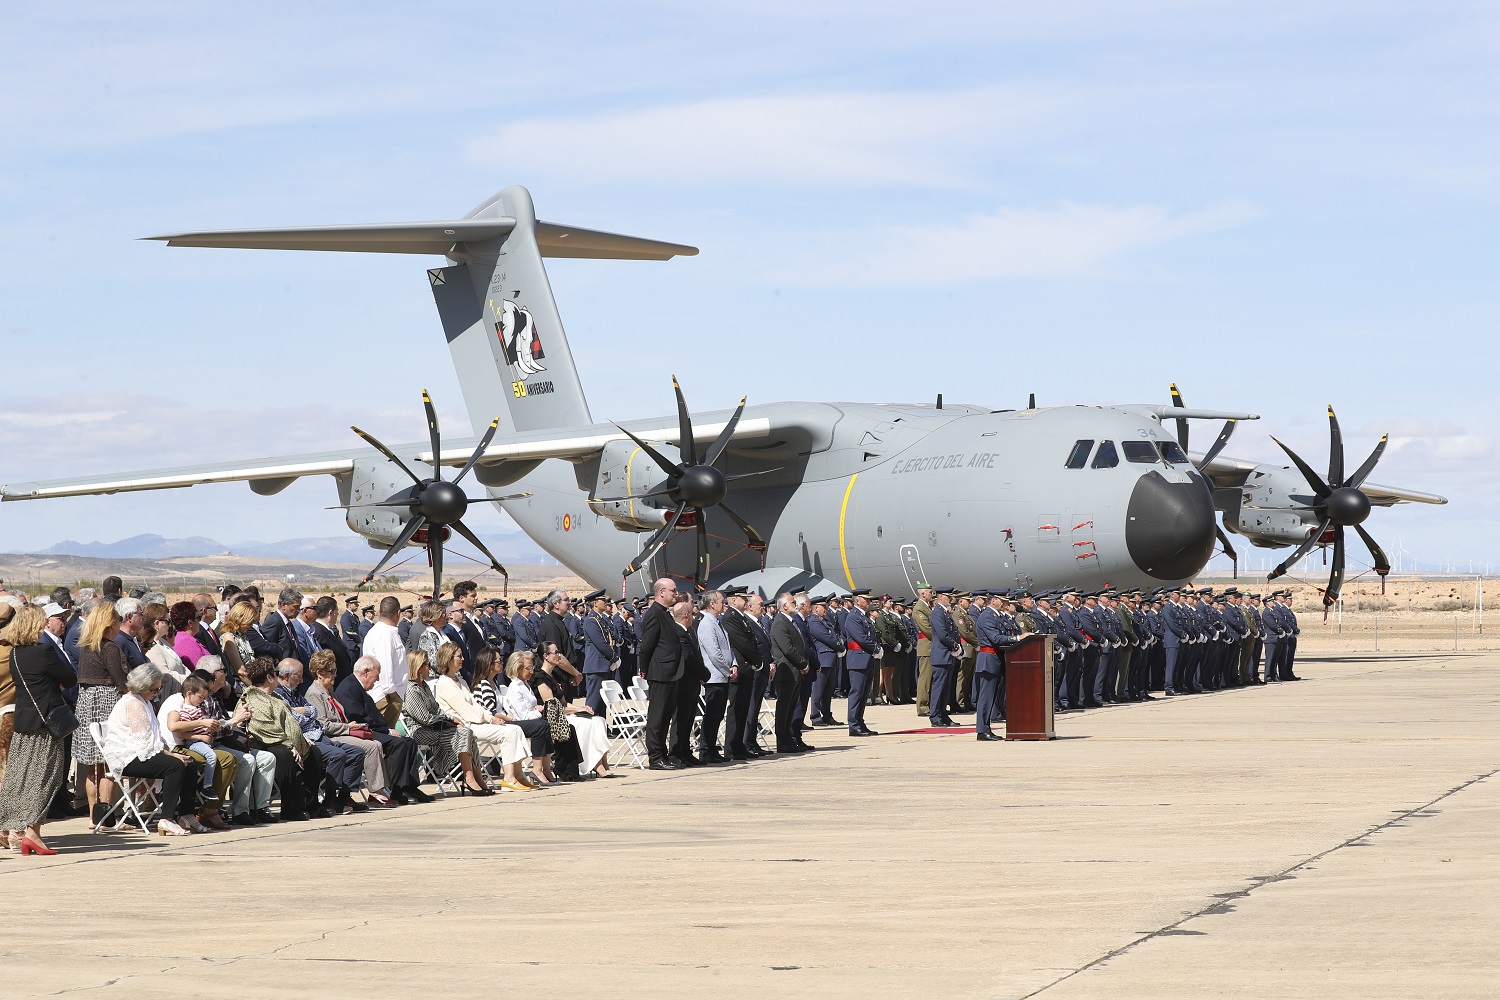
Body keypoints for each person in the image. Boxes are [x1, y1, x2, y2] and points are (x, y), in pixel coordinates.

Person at [0, 605, 78, 853]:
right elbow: (70, 678)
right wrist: (56, 684)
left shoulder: (15, 653)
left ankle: (14, 829)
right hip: (46, 724)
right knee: (46, 778)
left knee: (21, 777)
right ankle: (32, 834)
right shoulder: (44, 651)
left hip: (24, 721)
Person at [101, 663, 206, 837]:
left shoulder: (145, 701)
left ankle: (186, 814)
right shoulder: (133, 704)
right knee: (175, 766)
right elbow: (143, 743)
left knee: (190, 763)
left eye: (159, 689)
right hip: (126, 757)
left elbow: (154, 738)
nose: (157, 694)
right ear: (141, 686)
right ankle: (167, 818)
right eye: (154, 690)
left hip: (141, 751)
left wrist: (172, 753)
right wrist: (171, 755)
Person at [433, 642, 535, 794]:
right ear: (448, 658)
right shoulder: (444, 683)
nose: (462, 659)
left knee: (515, 729)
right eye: (459, 656)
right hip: (463, 726)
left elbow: (475, 704)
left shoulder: (460, 681)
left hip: (474, 722)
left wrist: (490, 717)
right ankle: (508, 778)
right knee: (508, 733)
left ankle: (518, 775)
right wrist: (490, 719)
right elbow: (464, 709)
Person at [241, 656, 329, 822]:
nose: (278, 677)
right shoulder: (253, 697)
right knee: (286, 756)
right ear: (269, 677)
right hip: (264, 743)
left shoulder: (276, 696)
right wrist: (289, 745)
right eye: (275, 674)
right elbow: (263, 728)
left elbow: (291, 720)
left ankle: (310, 805)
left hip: (284, 741)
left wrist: (301, 739)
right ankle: (290, 808)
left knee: (315, 753)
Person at [273, 659, 367, 813]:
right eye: (299, 676)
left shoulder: (295, 692)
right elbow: (293, 719)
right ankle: (330, 799)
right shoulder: (278, 694)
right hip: (307, 739)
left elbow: (313, 711)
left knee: (357, 752)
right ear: (287, 675)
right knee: (337, 754)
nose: (302, 680)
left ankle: (344, 797)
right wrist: (305, 713)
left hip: (320, 735)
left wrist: (304, 711)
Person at [304, 649, 393, 808]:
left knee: (375, 744)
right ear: (319, 673)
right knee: (371, 747)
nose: (335, 675)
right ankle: (375, 791)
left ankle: (349, 794)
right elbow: (323, 725)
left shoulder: (330, 691)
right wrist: (348, 728)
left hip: (342, 732)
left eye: (335, 670)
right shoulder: (314, 694)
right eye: (331, 671)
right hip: (330, 736)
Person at [335, 656, 427, 803]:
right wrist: (387, 732)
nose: (377, 680)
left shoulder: (356, 686)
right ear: (365, 672)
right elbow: (359, 718)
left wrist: (386, 729)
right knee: (399, 744)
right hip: (360, 733)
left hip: (372, 730)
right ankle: (398, 789)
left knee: (409, 742)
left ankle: (410, 787)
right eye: (376, 675)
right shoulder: (349, 688)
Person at [400, 649, 493, 794]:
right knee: (464, 733)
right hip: (420, 731)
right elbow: (424, 718)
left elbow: (437, 709)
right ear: (418, 667)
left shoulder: (424, 686)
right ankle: (469, 779)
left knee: (467, 732)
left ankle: (477, 777)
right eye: (427, 665)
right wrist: (450, 720)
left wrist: (450, 719)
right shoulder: (411, 690)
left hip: (434, 728)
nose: (430, 668)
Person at [71, 601, 128, 824]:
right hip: (106, 703)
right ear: (110, 624)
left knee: (91, 767)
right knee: (107, 764)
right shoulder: (110, 648)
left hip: (86, 703)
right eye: (118, 621)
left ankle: (94, 816)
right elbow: (121, 681)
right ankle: (105, 815)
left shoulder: (87, 646)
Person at [156, 675, 235, 829]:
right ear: (189, 693)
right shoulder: (176, 700)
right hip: (175, 747)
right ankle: (200, 806)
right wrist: (201, 724)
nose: (203, 700)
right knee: (209, 760)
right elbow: (173, 726)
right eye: (201, 696)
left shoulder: (193, 703)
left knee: (228, 759)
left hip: (190, 744)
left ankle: (211, 808)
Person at [538, 642, 612, 779]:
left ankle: (602, 762)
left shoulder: (552, 677)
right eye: (556, 652)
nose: (559, 655)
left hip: (561, 712)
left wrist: (581, 708)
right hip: (552, 717)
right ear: (545, 656)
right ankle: (595, 763)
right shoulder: (541, 678)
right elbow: (553, 707)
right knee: (588, 723)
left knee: (599, 720)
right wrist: (576, 710)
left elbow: (564, 703)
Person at [636, 577, 683, 770]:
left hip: (671, 672)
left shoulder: (664, 612)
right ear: (661, 592)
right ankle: (655, 757)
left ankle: (663, 754)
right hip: (660, 672)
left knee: (665, 717)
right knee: (657, 716)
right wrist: (644, 668)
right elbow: (647, 645)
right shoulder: (654, 613)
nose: (676, 593)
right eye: (673, 590)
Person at [501, 651, 558, 784]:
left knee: (548, 722)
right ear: (518, 669)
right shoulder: (515, 687)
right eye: (528, 668)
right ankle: (537, 770)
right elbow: (523, 715)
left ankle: (546, 768)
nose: (532, 671)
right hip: (517, 722)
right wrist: (539, 711)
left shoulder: (525, 684)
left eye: (532, 668)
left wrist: (538, 710)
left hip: (529, 719)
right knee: (541, 726)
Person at [694, 591, 735, 763]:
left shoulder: (718, 622)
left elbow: (728, 648)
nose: (724, 604)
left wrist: (734, 664)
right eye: (721, 601)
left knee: (717, 716)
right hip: (714, 677)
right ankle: (705, 750)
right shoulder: (706, 624)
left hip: (723, 675)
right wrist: (727, 670)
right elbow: (714, 653)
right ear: (712, 603)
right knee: (711, 715)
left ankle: (712, 749)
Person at [770, 593, 813, 753]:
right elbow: (788, 649)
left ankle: (789, 739)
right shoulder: (780, 623)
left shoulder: (790, 621)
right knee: (784, 708)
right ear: (784, 606)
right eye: (793, 602)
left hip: (795, 672)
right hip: (787, 672)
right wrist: (803, 663)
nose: (796, 604)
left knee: (791, 708)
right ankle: (782, 742)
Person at [669, 599, 709, 767]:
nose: (693, 616)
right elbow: (689, 657)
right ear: (686, 615)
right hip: (683, 684)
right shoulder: (678, 631)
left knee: (688, 720)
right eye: (692, 614)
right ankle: (675, 753)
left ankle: (685, 752)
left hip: (691, 684)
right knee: (680, 721)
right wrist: (704, 674)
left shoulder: (687, 630)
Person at [360, 596, 408, 726]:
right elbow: (384, 666)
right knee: (385, 732)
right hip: (385, 696)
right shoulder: (384, 634)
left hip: (388, 694)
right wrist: (392, 695)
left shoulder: (382, 631)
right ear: (398, 613)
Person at [841, 592, 881, 737]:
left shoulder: (863, 617)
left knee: (864, 694)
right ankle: (853, 725)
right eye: (866, 599)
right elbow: (861, 638)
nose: (869, 601)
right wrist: (876, 648)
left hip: (866, 658)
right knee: (857, 693)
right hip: (858, 659)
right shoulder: (853, 617)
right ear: (857, 601)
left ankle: (860, 722)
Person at [579, 589, 619, 716]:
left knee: (602, 703)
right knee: (593, 702)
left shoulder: (600, 619)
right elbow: (600, 643)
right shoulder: (591, 620)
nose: (606, 602)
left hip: (603, 665)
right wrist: (614, 657)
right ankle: (589, 726)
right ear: (595, 603)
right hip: (596, 666)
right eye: (603, 600)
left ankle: (601, 726)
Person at [142, 602, 189, 702]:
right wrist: (189, 681)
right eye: (167, 621)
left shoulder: (164, 642)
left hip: (178, 694)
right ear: (157, 624)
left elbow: (181, 665)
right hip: (166, 698)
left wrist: (193, 677)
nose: (170, 625)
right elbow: (163, 674)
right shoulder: (152, 646)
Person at [928, 588, 960, 727]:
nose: (951, 599)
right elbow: (942, 635)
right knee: (939, 687)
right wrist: (955, 646)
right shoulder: (937, 613)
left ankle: (943, 714)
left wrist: (957, 646)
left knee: (945, 688)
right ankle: (935, 716)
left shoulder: (945, 612)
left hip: (947, 655)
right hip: (941, 654)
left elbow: (953, 632)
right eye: (948, 596)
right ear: (941, 597)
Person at [170, 601, 210, 668]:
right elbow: (201, 669)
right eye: (198, 618)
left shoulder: (179, 638)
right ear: (190, 623)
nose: (199, 621)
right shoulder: (186, 642)